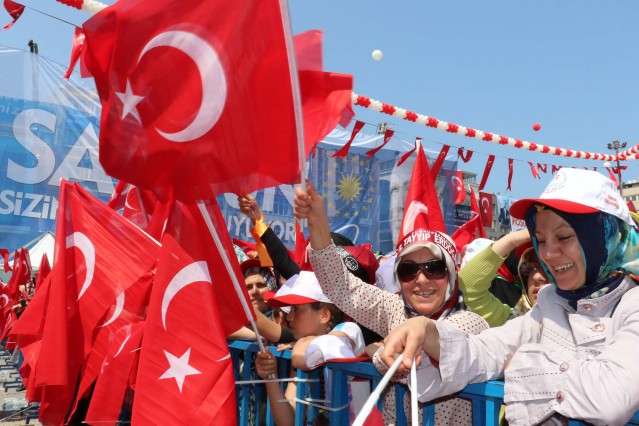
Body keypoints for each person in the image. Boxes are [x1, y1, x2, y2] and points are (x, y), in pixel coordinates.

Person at [380, 168, 639, 425]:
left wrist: (520, 365)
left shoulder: (632, 301)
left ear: (607, 234)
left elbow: (611, 398)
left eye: (563, 236)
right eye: (540, 240)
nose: (548, 253)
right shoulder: (551, 302)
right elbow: (488, 350)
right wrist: (428, 332)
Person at [293, 183, 488, 425]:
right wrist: (318, 224)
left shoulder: (472, 323)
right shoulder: (396, 309)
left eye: (434, 268)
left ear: (451, 275)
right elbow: (340, 286)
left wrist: (377, 352)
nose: (422, 280)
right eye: (408, 270)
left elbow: (416, 355)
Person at [254, 272, 363, 426]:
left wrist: (301, 343)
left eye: (296, 309)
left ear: (324, 315)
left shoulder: (349, 329)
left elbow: (303, 355)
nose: (289, 317)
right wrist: (270, 376)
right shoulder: (302, 349)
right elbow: (287, 422)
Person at [459, 230, 549, 327]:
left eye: (549, 268)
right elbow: (468, 287)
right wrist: (511, 240)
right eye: (532, 268)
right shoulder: (512, 322)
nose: (537, 276)